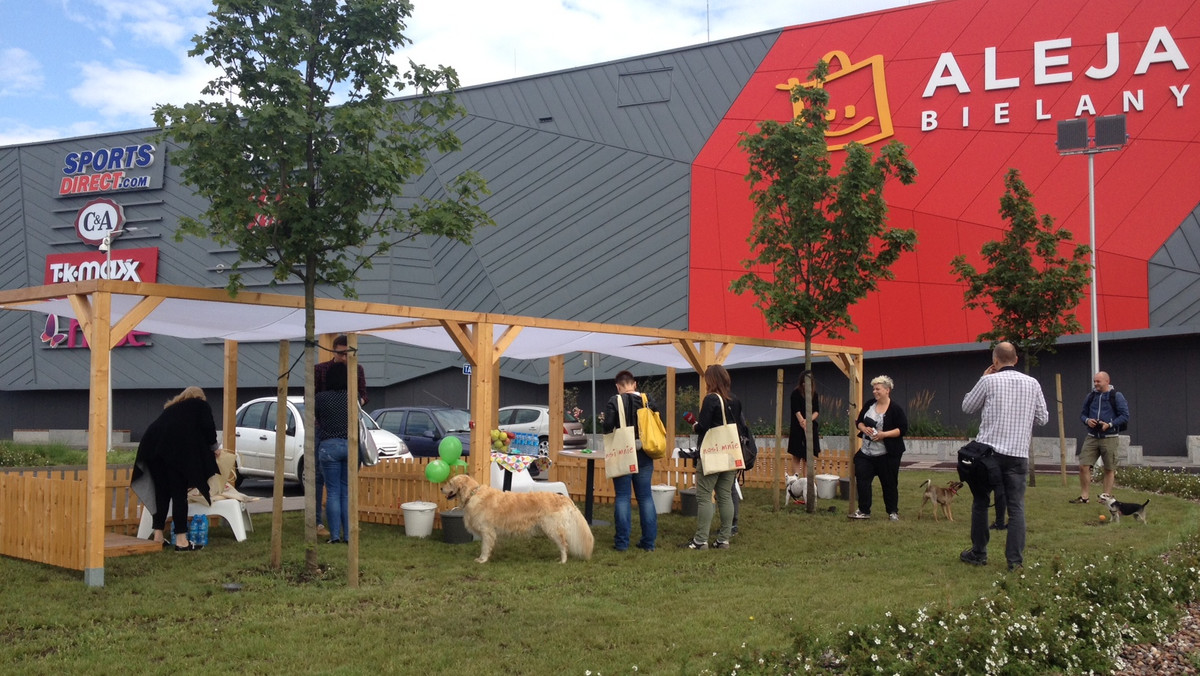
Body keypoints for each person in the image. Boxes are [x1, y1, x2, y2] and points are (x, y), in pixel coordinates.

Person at [960, 341, 1049, 570]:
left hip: (988, 453)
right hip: (1018, 454)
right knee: (1016, 507)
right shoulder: (1033, 383)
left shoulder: (988, 381)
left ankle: (979, 552)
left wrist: (982, 377)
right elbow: (1043, 418)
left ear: (995, 361)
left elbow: (967, 407)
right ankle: (1015, 561)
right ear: (1016, 359)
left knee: (981, 501)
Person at [130, 386, 221, 552]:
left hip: (151, 452)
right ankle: (181, 541)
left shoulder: (172, 409)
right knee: (179, 495)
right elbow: (208, 428)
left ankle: (158, 536)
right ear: (200, 397)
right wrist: (215, 448)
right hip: (174, 454)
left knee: (162, 494)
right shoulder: (200, 405)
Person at [681, 364, 741, 550]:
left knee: (704, 496)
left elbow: (704, 426)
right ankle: (723, 539)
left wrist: (695, 426)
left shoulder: (711, 399)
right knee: (725, 495)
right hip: (730, 452)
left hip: (713, 454)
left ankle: (700, 540)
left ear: (711, 380)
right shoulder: (735, 400)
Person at [313, 335, 368, 538]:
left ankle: (337, 533)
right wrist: (351, 406)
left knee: (335, 489)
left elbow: (314, 405)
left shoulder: (356, 370)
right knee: (338, 486)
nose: (344, 357)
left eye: (347, 354)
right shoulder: (320, 370)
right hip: (341, 435)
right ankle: (330, 527)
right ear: (333, 351)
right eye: (340, 353)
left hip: (330, 437)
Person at [601, 370, 658, 552]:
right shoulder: (647, 399)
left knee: (623, 497)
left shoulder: (615, 400)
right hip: (645, 452)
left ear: (618, 387)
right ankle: (648, 543)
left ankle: (622, 543)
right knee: (645, 497)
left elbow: (608, 426)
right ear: (634, 384)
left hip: (624, 452)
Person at [851, 375, 908, 521]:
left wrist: (884, 435)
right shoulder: (870, 404)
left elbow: (902, 429)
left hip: (887, 454)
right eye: (873, 389)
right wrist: (864, 428)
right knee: (863, 480)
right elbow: (859, 421)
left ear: (887, 390)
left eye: (878, 389)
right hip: (866, 452)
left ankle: (892, 512)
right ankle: (864, 510)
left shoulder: (895, 409)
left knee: (889, 483)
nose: (875, 392)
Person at [1071, 371, 1130, 504]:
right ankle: (1084, 497)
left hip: (1110, 437)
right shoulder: (1091, 396)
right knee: (1083, 465)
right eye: (1094, 381)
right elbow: (1082, 414)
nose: (1096, 384)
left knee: (1109, 468)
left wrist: (1109, 424)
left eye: (1098, 381)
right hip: (1092, 436)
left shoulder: (1116, 396)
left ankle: (1105, 498)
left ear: (1107, 381)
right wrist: (1087, 421)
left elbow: (1125, 415)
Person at [314, 362, 352, 544]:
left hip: (329, 446)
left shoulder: (321, 398)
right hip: (349, 446)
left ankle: (335, 535)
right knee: (345, 492)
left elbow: (317, 419)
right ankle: (349, 536)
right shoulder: (352, 396)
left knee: (333, 492)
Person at [787, 370, 821, 481]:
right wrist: (802, 422)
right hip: (797, 428)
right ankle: (796, 480)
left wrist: (808, 421)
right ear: (801, 382)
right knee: (796, 455)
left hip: (810, 427)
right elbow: (796, 410)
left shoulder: (814, 394)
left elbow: (816, 411)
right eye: (804, 382)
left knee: (808, 457)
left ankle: (807, 481)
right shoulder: (795, 393)